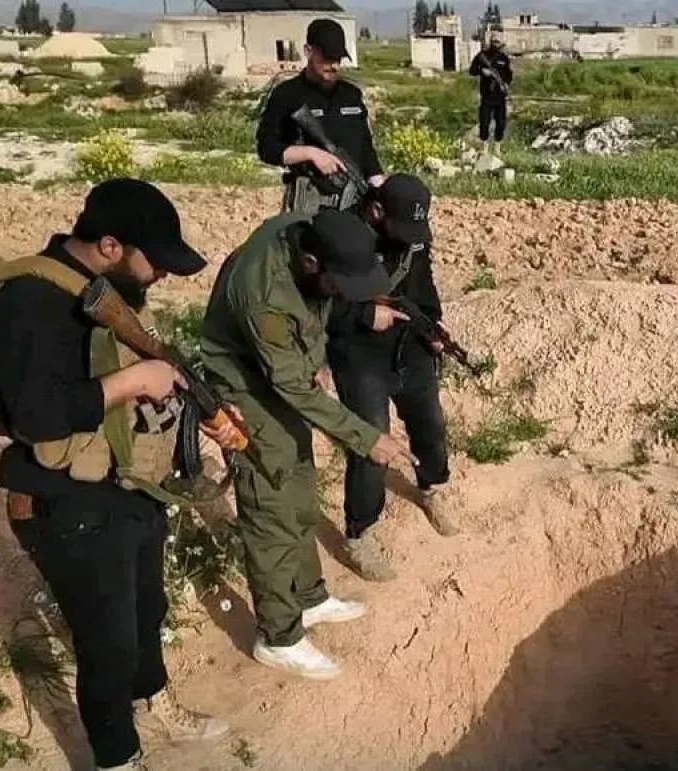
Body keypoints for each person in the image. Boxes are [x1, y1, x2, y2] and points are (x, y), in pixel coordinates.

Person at [0, 178, 234, 771]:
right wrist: (131, 383)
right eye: (156, 264)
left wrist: (205, 408)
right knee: (108, 644)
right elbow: (35, 416)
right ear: (112, 246)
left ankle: (151, 705)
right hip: (66, 505)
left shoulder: (100, 293)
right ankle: (118, 755)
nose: (161, 277)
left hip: (126, 487)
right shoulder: (26, 303)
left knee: (147, 611)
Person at [197, 207, 416, 680]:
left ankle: (308, 598)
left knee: (298, 488)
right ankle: (278, 636)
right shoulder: (265, 296)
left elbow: (312, 317)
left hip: (277, 372)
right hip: (245, 387)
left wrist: (312, 357)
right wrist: (365, 438)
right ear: (313, 263)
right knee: (270, 505)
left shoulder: (309, 230)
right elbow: (292, 387)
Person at [326, 173, 455, 582]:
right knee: (372, 441)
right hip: (359, 351)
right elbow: (318, 305)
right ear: (376, 210)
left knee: (430, 422)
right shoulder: (341, 237)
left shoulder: (412, 237)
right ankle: (359, 532)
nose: (408, 238)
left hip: (408, 342)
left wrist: (432, 327)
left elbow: (422, 284)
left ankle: (431, 486)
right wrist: (365, 315)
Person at [256, 17, 386, 215]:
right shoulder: (287, 95)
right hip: (310, 207)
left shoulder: (351, 95)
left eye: (337, 59)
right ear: (308, 51)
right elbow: (267, 149)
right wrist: (311, 154)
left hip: (355, 204)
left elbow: (366, 152)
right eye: (326, 58)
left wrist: (380, 192)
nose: (333, 65)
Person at [468, 33, 513, 158]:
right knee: (484, 122)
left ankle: (497, 148)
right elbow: (472, 71)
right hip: (487, 96)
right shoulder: (482, 56)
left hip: (500, 97)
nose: (495, 44)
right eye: (493, 42)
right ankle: (484, 149)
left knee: (501, 123)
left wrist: (506, 84)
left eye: (497, 42)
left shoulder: (504, 58)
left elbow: (509, 75)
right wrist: (482, 71)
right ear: (490, 42)